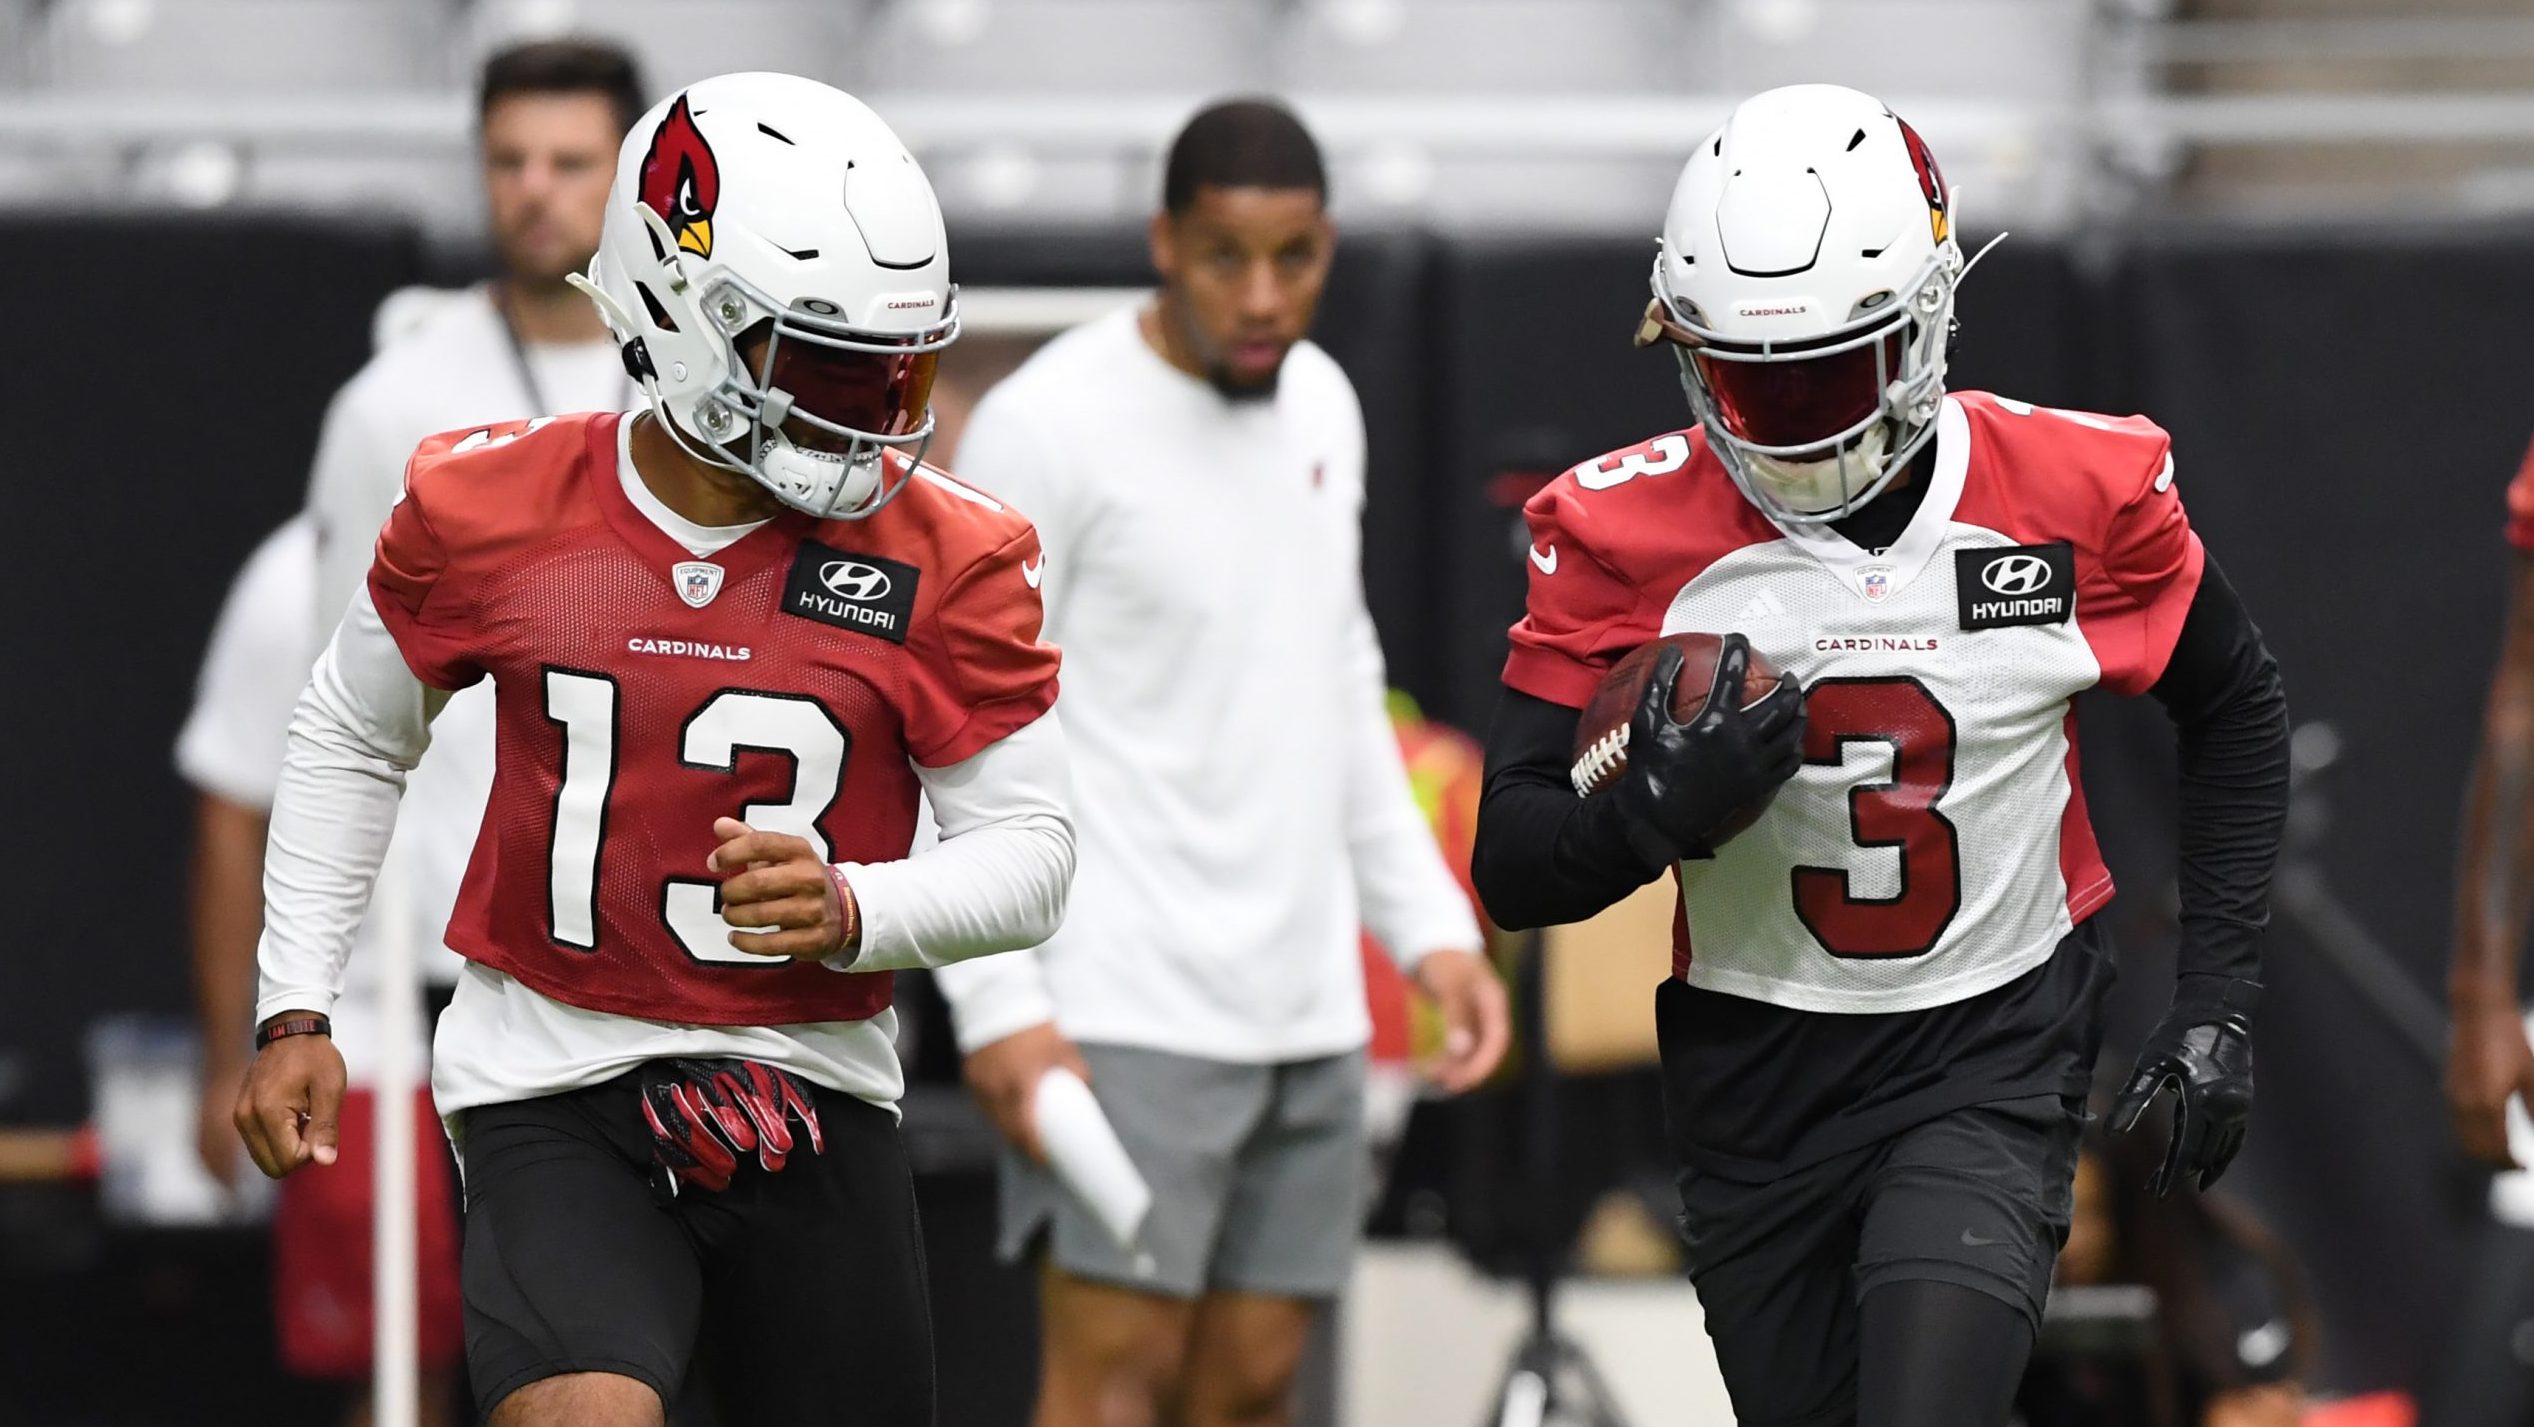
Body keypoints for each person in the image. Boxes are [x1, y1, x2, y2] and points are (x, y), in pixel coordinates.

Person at [234, 71, 1073, 1427]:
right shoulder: (489, 503)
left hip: (807, 1083)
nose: (871, 414)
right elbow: (350, 728)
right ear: (687, 324)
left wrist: (857, 904)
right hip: (554, 1075)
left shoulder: (950, 556)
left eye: (894, 369)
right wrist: (296, 1004)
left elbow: (1033, 855)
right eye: (823, 364)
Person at [1469, 84, 2289, 1427]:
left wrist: (2216, 1001)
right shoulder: (1625, 533)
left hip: (1990, 1046)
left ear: (1923, 323)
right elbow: (1511, 857)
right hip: (1758, 1079)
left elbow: (2234, 707)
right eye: (1750, 378)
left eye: (1828, 373)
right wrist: (1641, 816)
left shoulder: (2071, 496)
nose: (1788, 422)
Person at [932, 99, 1509, 1427]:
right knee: (1108, 1389)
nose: (1260, 296)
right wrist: (997, 1009)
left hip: (1305, 1012)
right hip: (1116, 1008)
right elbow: (955, 726)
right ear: (1161, 244)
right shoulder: (1045, 425)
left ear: (1327, 248)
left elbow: (1339, 675)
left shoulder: (1323, 403)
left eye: (1293, 258)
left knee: (1252, 1394)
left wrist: (1429, 930)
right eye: (1222, 257)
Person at [185, 39, 647, 1425]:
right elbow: (332, 730)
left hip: (649, 979)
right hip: (431, 983)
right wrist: (292, 1004)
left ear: (634, 178)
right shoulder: (397, 402)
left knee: (634, 1372)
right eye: (509, 160)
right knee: (404, 1377)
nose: (537, 193)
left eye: (573, 162)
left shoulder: (706, 388)